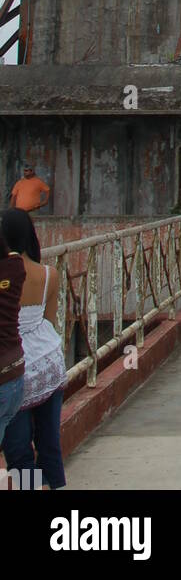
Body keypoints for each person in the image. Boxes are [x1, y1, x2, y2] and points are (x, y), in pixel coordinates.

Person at [0, 210, 66, 490]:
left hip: (17, 366)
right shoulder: (50, 274)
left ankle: (32, 487)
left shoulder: (7, 274)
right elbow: (50, 321)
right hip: (50, 362)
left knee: (19, 451)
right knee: (50, 442)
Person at [0, 226, 26, 458]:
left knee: (18, 455)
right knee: (25, 452)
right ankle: (47, 484)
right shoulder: (19, 268)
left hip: (10, 373)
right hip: (25, 372)